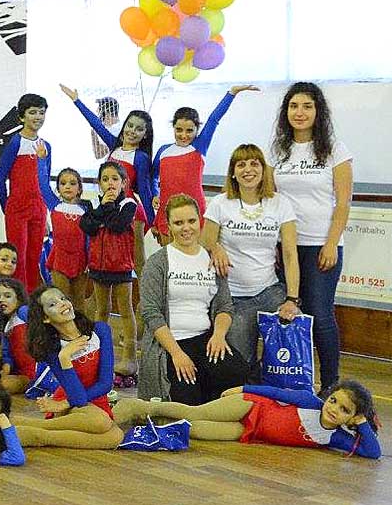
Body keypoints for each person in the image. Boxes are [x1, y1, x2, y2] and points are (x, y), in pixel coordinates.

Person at [270, 82, 352, 391]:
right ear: (286, 111)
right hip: (285, 246)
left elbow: (343, 203)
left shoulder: (335, 149)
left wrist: (331, 243)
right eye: (294, 106)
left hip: (321, 245)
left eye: (307, 106)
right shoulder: (277, 150)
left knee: (320, 314)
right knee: (288, 311)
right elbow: (269, 198)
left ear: (318, 111)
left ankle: (330, 385)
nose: (300, 112)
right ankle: (291, 380)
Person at [138, 195, 249, 404]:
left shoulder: (213, 258)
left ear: (200, 221)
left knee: (241, 376)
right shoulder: (157, 263)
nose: (186, 228)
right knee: (187, 400)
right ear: (169, 226)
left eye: (191, 221)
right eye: (178, 223)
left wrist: (218, 336)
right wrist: (177, 354)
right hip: (171, 343)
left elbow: (224, 306)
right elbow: (151, 313)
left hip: (205, 339)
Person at [202, 144, 300, 376]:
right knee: (240, 366)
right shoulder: (220, 203)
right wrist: (216, 247)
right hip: (233, 298)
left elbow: (289, 254)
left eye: (254, 164)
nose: (248, 169)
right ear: (233, 172)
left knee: (284, 359)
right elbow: (204, 241)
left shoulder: (280, 203)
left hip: (269, 292)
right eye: (241, 164)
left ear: (263, 170)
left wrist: (291, 299)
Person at [113, 381, 379, 459]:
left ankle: (151, 421)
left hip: (249, 432)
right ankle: (140, 406)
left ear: (351, 417)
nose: (333, 409)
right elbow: (275, 392)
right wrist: (242, 389)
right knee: (195, 412)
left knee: (193, 430)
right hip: (251, 407)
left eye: (344, 410)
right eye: (333, 400)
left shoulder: (335, 437)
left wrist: (363, 422)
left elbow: (373, 452)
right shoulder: (310, 402)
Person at [61, 84, 154, 284]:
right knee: (111, 256)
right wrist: (77, 100)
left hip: (131, 212)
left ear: (145, 134)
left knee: (136, 260)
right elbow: (96, 124)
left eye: (139, 129)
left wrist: (153, 222)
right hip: (109, 209)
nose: (132, 131)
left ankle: (147, 298)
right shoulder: (114, 146)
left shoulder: (141, 157)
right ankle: (100, 298)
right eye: (130, 125)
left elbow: (145, 192)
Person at [13, 285, 122, 449]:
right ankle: (37, 433)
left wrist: (65, 403)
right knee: (102, 422)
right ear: (46, 318)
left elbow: (106, 384)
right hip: (73, 400)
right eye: (53, 304)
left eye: (63, 298)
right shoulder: (53, 350)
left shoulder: (100, 330)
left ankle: (37, 430)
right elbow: (78, 399)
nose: (62, 303)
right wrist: (65, 358)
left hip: (86, 398)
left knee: (115, 437)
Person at [151, 86, 258, 242]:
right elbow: (153, 177)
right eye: (179, 130)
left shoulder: (199, 146)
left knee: (198, 255)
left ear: (197, 130)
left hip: (195, 213)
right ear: (173, 127)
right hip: (167, 214)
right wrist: (155, 194)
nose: (183, 135)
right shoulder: (163, 151)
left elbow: (214, 119)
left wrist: (232, 93)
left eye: (189, 131)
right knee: (170, 257)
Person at [80, 161, 139, 382]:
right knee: (101, 310)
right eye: (105, 179)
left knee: (125, 310)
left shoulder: (128, 204)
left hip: (121, 267)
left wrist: (108, 206)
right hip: (98, 267)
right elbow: (87, 226)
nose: (110, 183)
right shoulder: (97, 205)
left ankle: (129, 357)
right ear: (99, 183)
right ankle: (100, 353)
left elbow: (117, 225)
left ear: (124, 183)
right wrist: (102, 208)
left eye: (115, 179)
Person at [0, 93, 56, 290]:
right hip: (17, 210)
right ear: (22, 116)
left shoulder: (46, 146)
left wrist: (47, 215)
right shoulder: (15, 143)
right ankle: (18, 301)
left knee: (34, 258)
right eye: (32, 112)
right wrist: (7, 207)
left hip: (39, 210)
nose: (38, 117)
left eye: (41, 112)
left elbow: (45, 182)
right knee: (18, 259)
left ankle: (30, 302)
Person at [44, 167, 92, 317]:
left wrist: (90, 260)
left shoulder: (85, 210)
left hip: (80, 261)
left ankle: (80, 328)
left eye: (72, 183)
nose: (67, 186)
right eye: (63, 183)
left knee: (79, 301)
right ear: (58, 188)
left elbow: (89, 238)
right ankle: (60, 328)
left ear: (79, 189)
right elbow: (42, 184)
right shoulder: (55, 205)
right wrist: (42, 160)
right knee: (60, 299)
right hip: (59, 260)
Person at [0, 277, 35, 392]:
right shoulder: (5, 326)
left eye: (7, 296)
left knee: (3, 385)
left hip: (41, 368)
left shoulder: (23, 311)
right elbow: (7, 355)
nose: (1, 300)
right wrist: (4, 373)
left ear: (19, 298)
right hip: (24, 373)